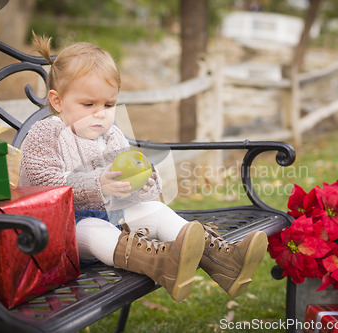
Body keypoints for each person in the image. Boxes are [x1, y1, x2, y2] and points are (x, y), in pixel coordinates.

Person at [19, 33, 268, 302]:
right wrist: (97, 184)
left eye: (108, 104)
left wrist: (145, 185)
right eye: (88, 104)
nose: (100, 113)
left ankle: (224, 261)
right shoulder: (47, 133)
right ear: (57, 102)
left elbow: (127, 190)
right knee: (90, 227)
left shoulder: (111, 135)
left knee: (156, 209)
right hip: (59, 235)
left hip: (113, 226)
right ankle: (160, 263)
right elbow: (42, 184)